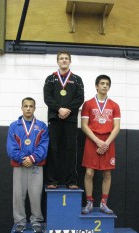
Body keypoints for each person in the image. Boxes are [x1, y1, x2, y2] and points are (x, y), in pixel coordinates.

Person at [7, 97, 49, 233]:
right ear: (22, 108)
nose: (28, 108)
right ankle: (19, 222)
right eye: (26, 106)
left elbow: (44, 146)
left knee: (36, 195)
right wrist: (22, 159)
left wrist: (32, 158)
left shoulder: (42, 126)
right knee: (18, 195)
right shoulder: (14, 126)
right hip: (19, 166)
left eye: (31, 106)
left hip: (36, 165)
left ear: (35, 108)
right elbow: (11, 147)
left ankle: (36, 221)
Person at [43, 51, 84, 189]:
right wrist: (58, 109)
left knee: (71, 150)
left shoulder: (77, 79)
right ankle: (52, 180)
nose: (64, 60)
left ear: (70, 61)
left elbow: (80, 98)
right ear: (57, 61)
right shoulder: (50, 78)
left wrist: (67, 110)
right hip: (55, 118)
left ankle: (71, 181)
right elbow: (47, 98)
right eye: (61, 58)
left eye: (66, 58)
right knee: (53, 149)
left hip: (71, 120)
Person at [81, 75, 121, 214]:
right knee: (89, 173)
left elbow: (117, 127)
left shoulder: (114, 105)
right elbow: (84, 126)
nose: (105, 86)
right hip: (92, 140)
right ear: (96, 86)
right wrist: (98, 141)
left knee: (107, 173)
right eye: (102, 83)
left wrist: (106, 143)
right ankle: (89, 202)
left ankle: (104, 203)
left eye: (107, 84)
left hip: (108, 141)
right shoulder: (88, 104)